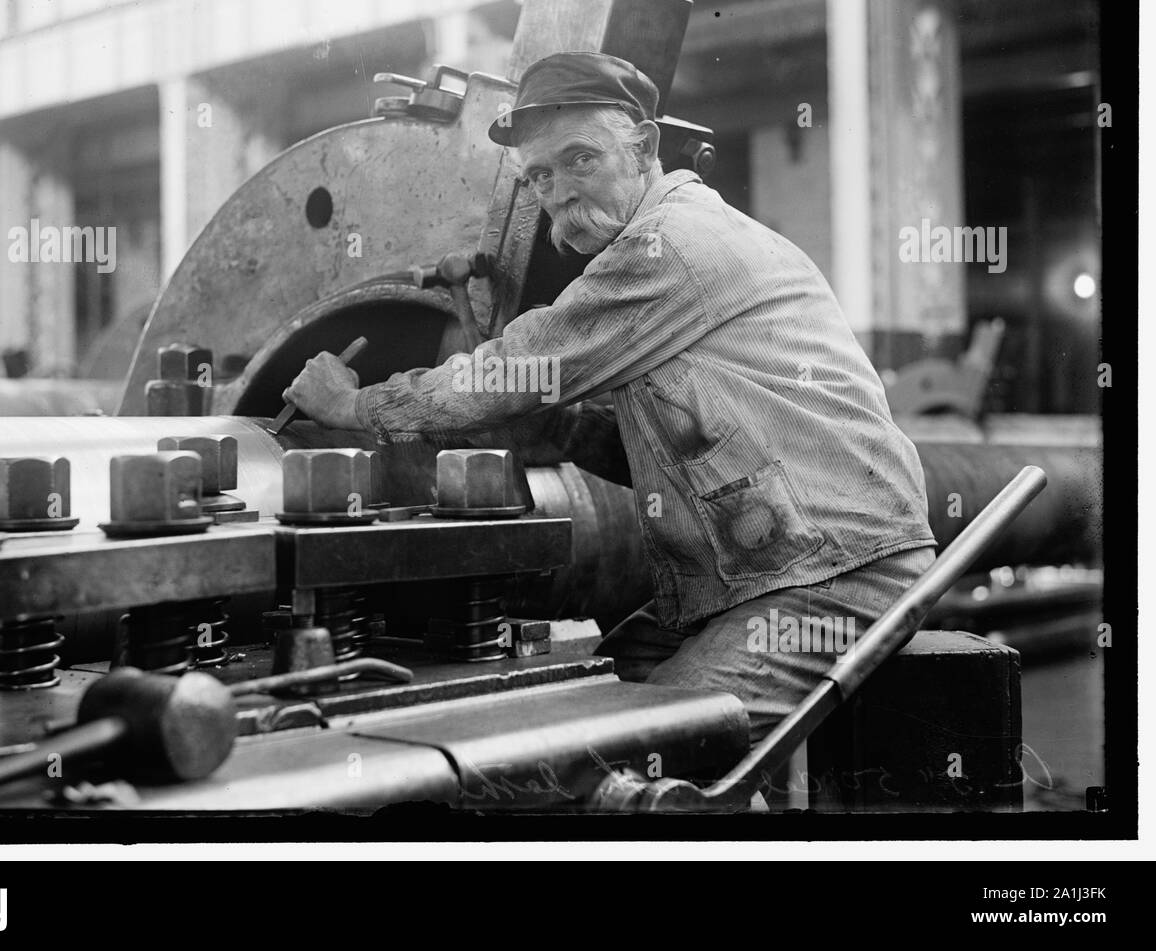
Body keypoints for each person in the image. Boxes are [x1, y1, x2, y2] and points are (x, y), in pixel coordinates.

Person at [287, 50, 937, 745]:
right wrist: (554, 431)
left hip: (831, 578)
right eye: (539, 175)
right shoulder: (664, 259)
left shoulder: (669, 246)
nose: (559, 191)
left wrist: (357, 407)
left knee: (645, 746)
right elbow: (678, 453)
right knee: (589, 694)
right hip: (755, 578)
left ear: (644, 147)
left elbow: (515, 364)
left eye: (580, 159)